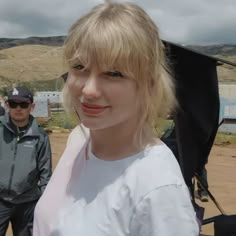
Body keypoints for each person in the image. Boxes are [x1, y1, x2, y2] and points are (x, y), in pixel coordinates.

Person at [33, 2, 199, 235]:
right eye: (80, 67)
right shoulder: (80, 139)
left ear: (148, 85)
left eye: (113, 73)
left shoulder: (157, 188)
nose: (89, 90)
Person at [0, 86, 52, 236]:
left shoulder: (40, 136)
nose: (18, 108)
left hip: (27, 203)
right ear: (7, 105)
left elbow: (45, 173)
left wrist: (45, 204)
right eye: (13, 104)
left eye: (23, 104)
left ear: (32, 106)